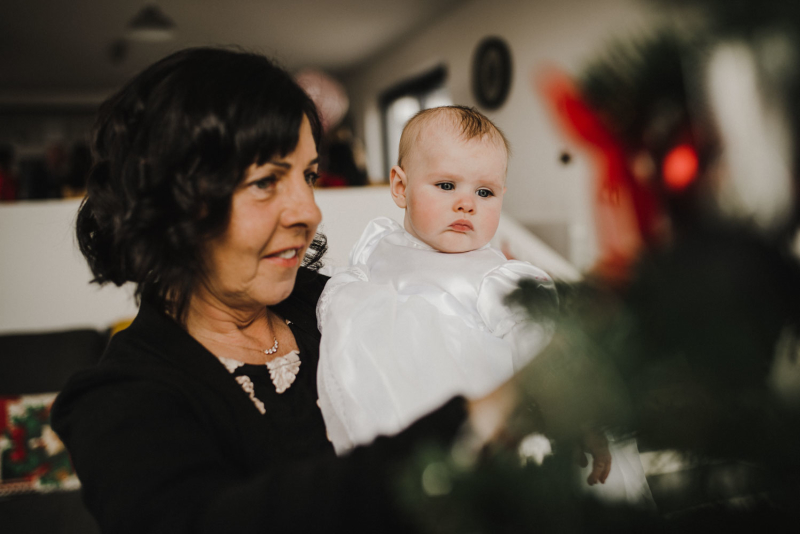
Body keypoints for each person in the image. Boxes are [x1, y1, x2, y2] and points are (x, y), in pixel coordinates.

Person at [49, 48, 498, 534]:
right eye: (266, 181)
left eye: (308, 176)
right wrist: (478, 420)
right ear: (171, 201)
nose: (309, 211)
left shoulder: (342, 303)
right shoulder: (120, 399)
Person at [316, 106, 558, 454]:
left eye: (485, 193)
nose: (467, 204)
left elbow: (548, 355)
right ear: (400, 186)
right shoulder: (376, 247)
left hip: (474, 431)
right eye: (446, 185)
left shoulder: (498, 279)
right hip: (386, 408)